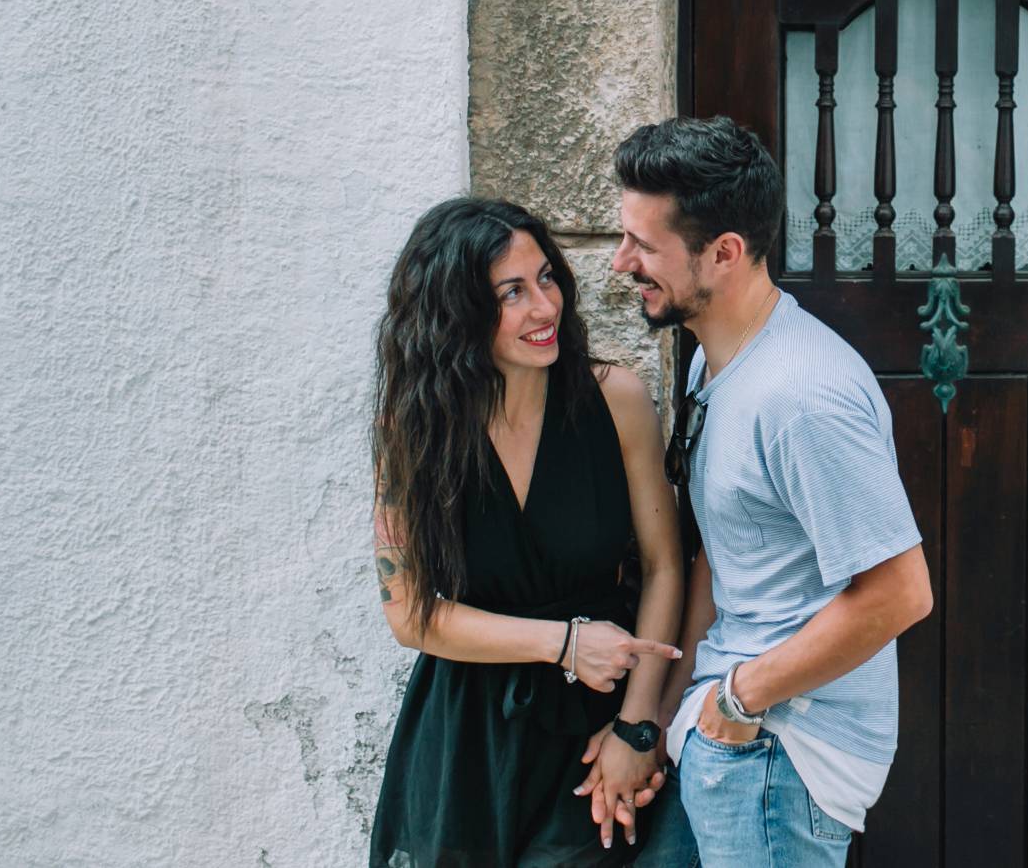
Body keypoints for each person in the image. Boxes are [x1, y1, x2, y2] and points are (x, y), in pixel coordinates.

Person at [605, 117, 933, 868]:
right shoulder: (713, 361)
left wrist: (738, 699)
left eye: (643, 245)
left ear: (724, 253)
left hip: (780, 748)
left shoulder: (803, 399)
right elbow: (722, 559)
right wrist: (662, 720)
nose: (622, 262)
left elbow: (900, 593)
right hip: (724, 732)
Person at [368, 197, 686, 867]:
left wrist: (638, 725)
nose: (544, 308)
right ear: (455, 311)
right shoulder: (413, 430)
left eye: (546, 279)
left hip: (594, 732)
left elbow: (666, 567)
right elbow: (409, 613)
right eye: (511, 292)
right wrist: (565, 643)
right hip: (466, 742)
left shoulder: (616, 399)